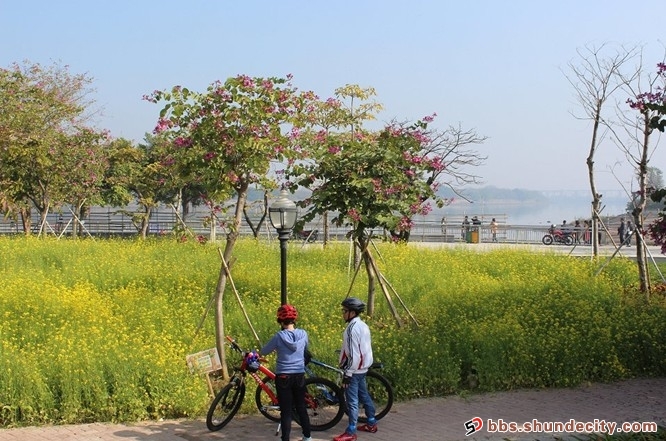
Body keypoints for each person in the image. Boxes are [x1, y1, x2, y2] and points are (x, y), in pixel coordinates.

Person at [260, 304, 312, 441]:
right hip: (299, 374)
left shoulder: (279, 336)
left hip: (283, 376)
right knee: (301, 406)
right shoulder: (303, 334)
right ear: (294, 320)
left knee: (286, 410)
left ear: (280, 321)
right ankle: (307, 436)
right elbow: (305, 349)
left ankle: (286, 439)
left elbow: (264, 351)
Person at [334, 298, 377, 441]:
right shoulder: (363, 325)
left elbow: (354, 354)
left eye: (344, 311)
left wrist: (348, 374)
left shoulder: (351, 329)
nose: (343, 314)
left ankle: (351, 432)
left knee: (352, 401)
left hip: (354, 370)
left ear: (352, 312)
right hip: (363, 369)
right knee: (364, 396)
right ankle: (371, 423)